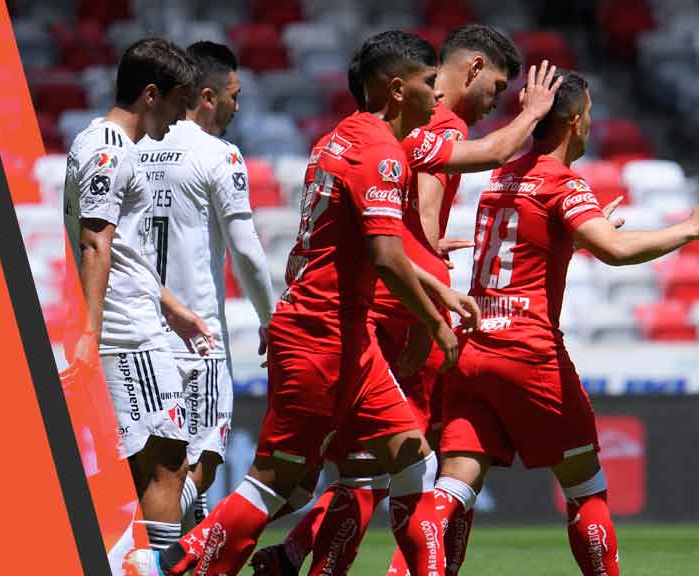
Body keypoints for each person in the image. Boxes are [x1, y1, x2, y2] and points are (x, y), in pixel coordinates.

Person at [124, 30, 480, 576]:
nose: (439, 96)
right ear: (396, 89)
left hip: (346, 336)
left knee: (414, 462)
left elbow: (350, 247)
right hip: (321, 336)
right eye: (430, 83)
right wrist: (437, 323)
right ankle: (166, 567)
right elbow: (385, 255)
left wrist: (436, 289)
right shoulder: (381, 153)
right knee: (272, 484)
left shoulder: (338, 138)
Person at [249, 26, 567, 576]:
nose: (495, 100)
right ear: (470, 69)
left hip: (364, 306)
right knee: (399, 463)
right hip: (396, 312)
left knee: (358, 467)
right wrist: (430, 296)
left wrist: (423, 249)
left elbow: (402, 213)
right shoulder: (440, 123)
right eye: (494, 85)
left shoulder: (398, 125)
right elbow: (417, 209)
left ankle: (290, 554)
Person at [434, 71, 699, 576]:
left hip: (473, 347)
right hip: (528, 351)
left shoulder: (501, 178)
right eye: (592, 114)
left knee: (455, 484)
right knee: (584, 485)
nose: (593, 123)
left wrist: (568, 240)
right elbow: (616, 251)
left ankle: (410, 569)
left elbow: (522, 252)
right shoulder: (561, 181)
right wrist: (693, 226)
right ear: (576, 123)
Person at [62, 37, 213, 552]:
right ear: (152, 94)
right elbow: (95, 242)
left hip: (138, 321)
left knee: (147, 468)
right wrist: (90, 333)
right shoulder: (107, 149)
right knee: (167, 463)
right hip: (126, 333)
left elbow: (122, 248)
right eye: (178, 102)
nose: (180, 117)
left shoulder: (106, 144)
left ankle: (130, 560)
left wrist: (172, 309)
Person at [136, 40, 274, 528]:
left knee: (158, 472)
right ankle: (137, 553)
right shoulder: (219, 155)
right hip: (197, 338)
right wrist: (269, 319)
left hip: (138, 330)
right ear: (209, 95)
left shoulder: (135, 148)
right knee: (202, 465)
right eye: (234, 94)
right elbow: (247, 252)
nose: (239, 105)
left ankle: (169, 555)